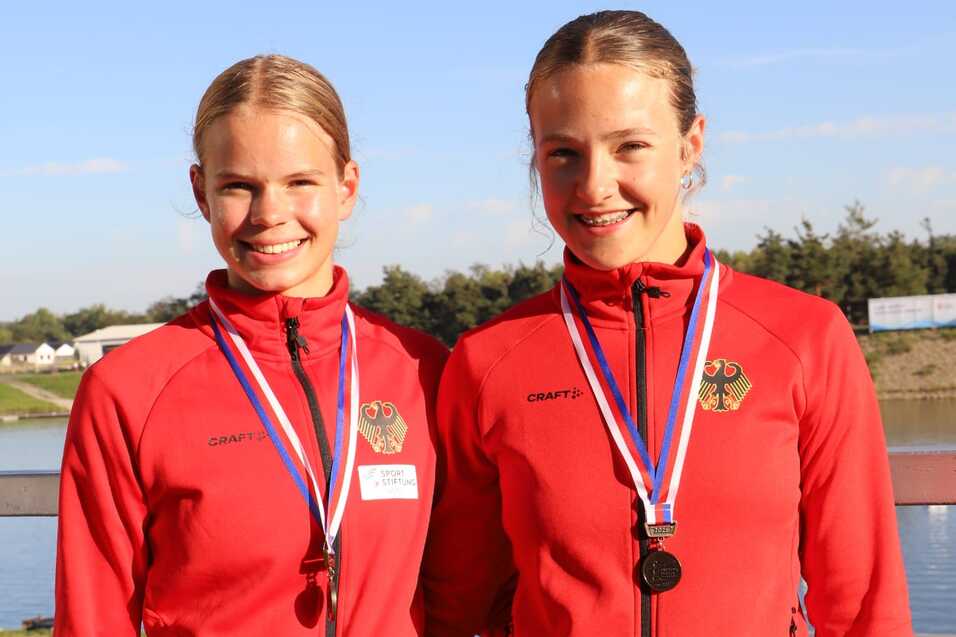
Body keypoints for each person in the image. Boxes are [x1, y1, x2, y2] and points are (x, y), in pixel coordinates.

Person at [423, 11, 912, 637]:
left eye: (630, 146)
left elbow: (865, 604)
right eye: (564, 153)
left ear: (689, 145)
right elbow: (459, 606)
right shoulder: (487, 361)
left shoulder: (805, 337)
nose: (595, 185)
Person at [55, 54, 447, 636]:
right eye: (239, 186)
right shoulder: (128, 390)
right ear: (201, 191)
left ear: (346, 187)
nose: (269, 215)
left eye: (300, 183)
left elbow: (465, 590)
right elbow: (93, 619)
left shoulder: (422, 370)